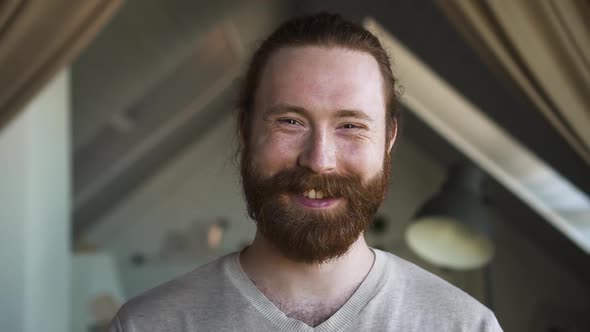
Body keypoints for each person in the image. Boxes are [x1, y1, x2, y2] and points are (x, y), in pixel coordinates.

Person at [109, 12, 503, 332]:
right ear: (245, 130)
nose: (318, 160)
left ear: (388, 140)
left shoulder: (466, 326)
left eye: (350, 126)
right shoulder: (147, 325)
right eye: (290, 122)